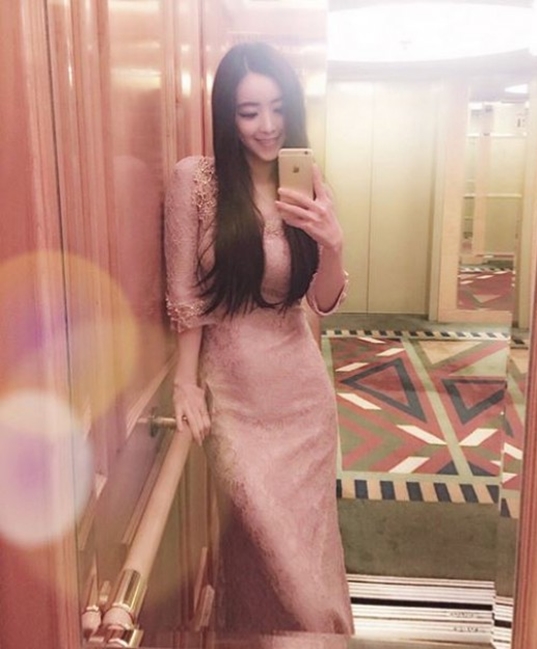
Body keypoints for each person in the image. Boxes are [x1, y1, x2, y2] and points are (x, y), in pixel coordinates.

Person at [165, 41, 353, 635]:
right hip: (236, 400)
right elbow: (186, 295)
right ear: (228, 115)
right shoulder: (196, 181)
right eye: (249, 112)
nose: (267, 126)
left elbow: (321, 301)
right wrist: (185, 383)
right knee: (263, 556)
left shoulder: (306, 182)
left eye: (277, 108)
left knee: (308, 570)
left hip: (303, 403)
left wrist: (332, 243)